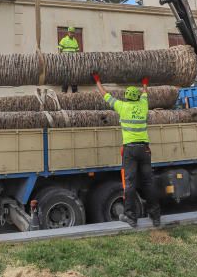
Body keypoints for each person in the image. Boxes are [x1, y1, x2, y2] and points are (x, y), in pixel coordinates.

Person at [92, 73, 161, 228]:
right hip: (144, 150)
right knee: (149, 183)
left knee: (130, 184)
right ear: (136, 97)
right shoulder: (143, 105)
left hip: (130, 150)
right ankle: (155, 217)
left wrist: (98, 81)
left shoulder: (122, 106)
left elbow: (105, 95)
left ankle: (131, 217)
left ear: (127, 97)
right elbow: (145, 93)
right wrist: (144, 83)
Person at [58, 26, 80, 93]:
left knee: (74, 76)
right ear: (68, 32)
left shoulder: (75, 41)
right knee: (65, 75)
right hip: (65, 62)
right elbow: (60, 50)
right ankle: (64, 91)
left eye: (73, 33)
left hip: (73, 62)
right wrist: (61, 60)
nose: (71, 34)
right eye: (70, 32)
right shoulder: (64, 40)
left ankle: (75, 91)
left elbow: (77, 52)